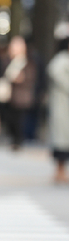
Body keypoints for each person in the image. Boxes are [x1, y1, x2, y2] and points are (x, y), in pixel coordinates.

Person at [0, 35, 38, 150]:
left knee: (19, 120)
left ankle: (18, 140)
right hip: (9, 95)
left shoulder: (28, 60)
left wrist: (21, 79)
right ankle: (13, 139)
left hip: (21, 95)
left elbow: (31, 77)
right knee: (10, 118)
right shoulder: (7, 60)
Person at [47, 36, 69, 184]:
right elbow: (59, 77)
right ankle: (59, 171)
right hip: (62, 105)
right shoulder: (61, 60)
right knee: (61, 140)